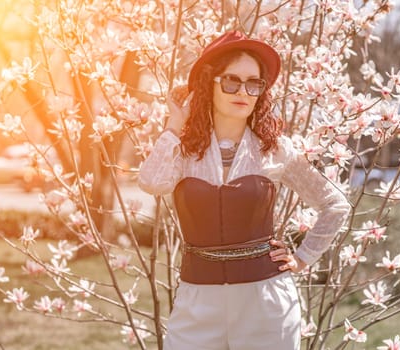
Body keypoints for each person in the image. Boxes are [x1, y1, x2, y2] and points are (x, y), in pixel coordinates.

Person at [138, 30, 350, 350]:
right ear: (209, 83)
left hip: (265, 304)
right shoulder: (184, 151)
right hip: (197, 302)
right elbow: (152, 182)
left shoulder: (273, 150)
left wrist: (302, 257)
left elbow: (334, 204)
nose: (243, 91)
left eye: (254, 83)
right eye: (231, 81)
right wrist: (174, 126)